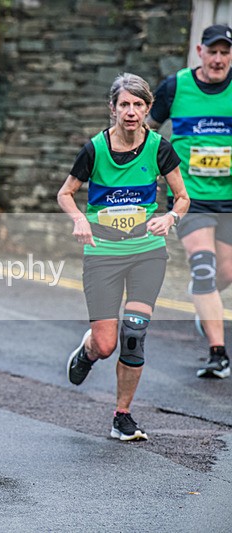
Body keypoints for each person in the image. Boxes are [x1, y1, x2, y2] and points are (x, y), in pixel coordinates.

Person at [57, 73, 189, 441]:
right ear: (112, 109)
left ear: (148, 108)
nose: (131, 112)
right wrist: (80, 219)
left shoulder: (160, 148)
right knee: (106, 344)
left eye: (138, 105)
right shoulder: (95, 150)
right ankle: (87, 350)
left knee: (135, 333)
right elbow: (65, 194)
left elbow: (182, 197)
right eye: (124, 105)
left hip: (146, 252)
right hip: (103, 255)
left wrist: (170, 217)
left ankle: (122, 415)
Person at [148, 24, 232, 379]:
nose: (218, 59)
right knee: (203, 269)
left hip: (229, 199)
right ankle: (218, 354)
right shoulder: (175, 86)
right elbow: (147, 131)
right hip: (190, 198)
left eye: (225, 52)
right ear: (200, 51)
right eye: (212, 51)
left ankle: (203, 299)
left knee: (222, 273)